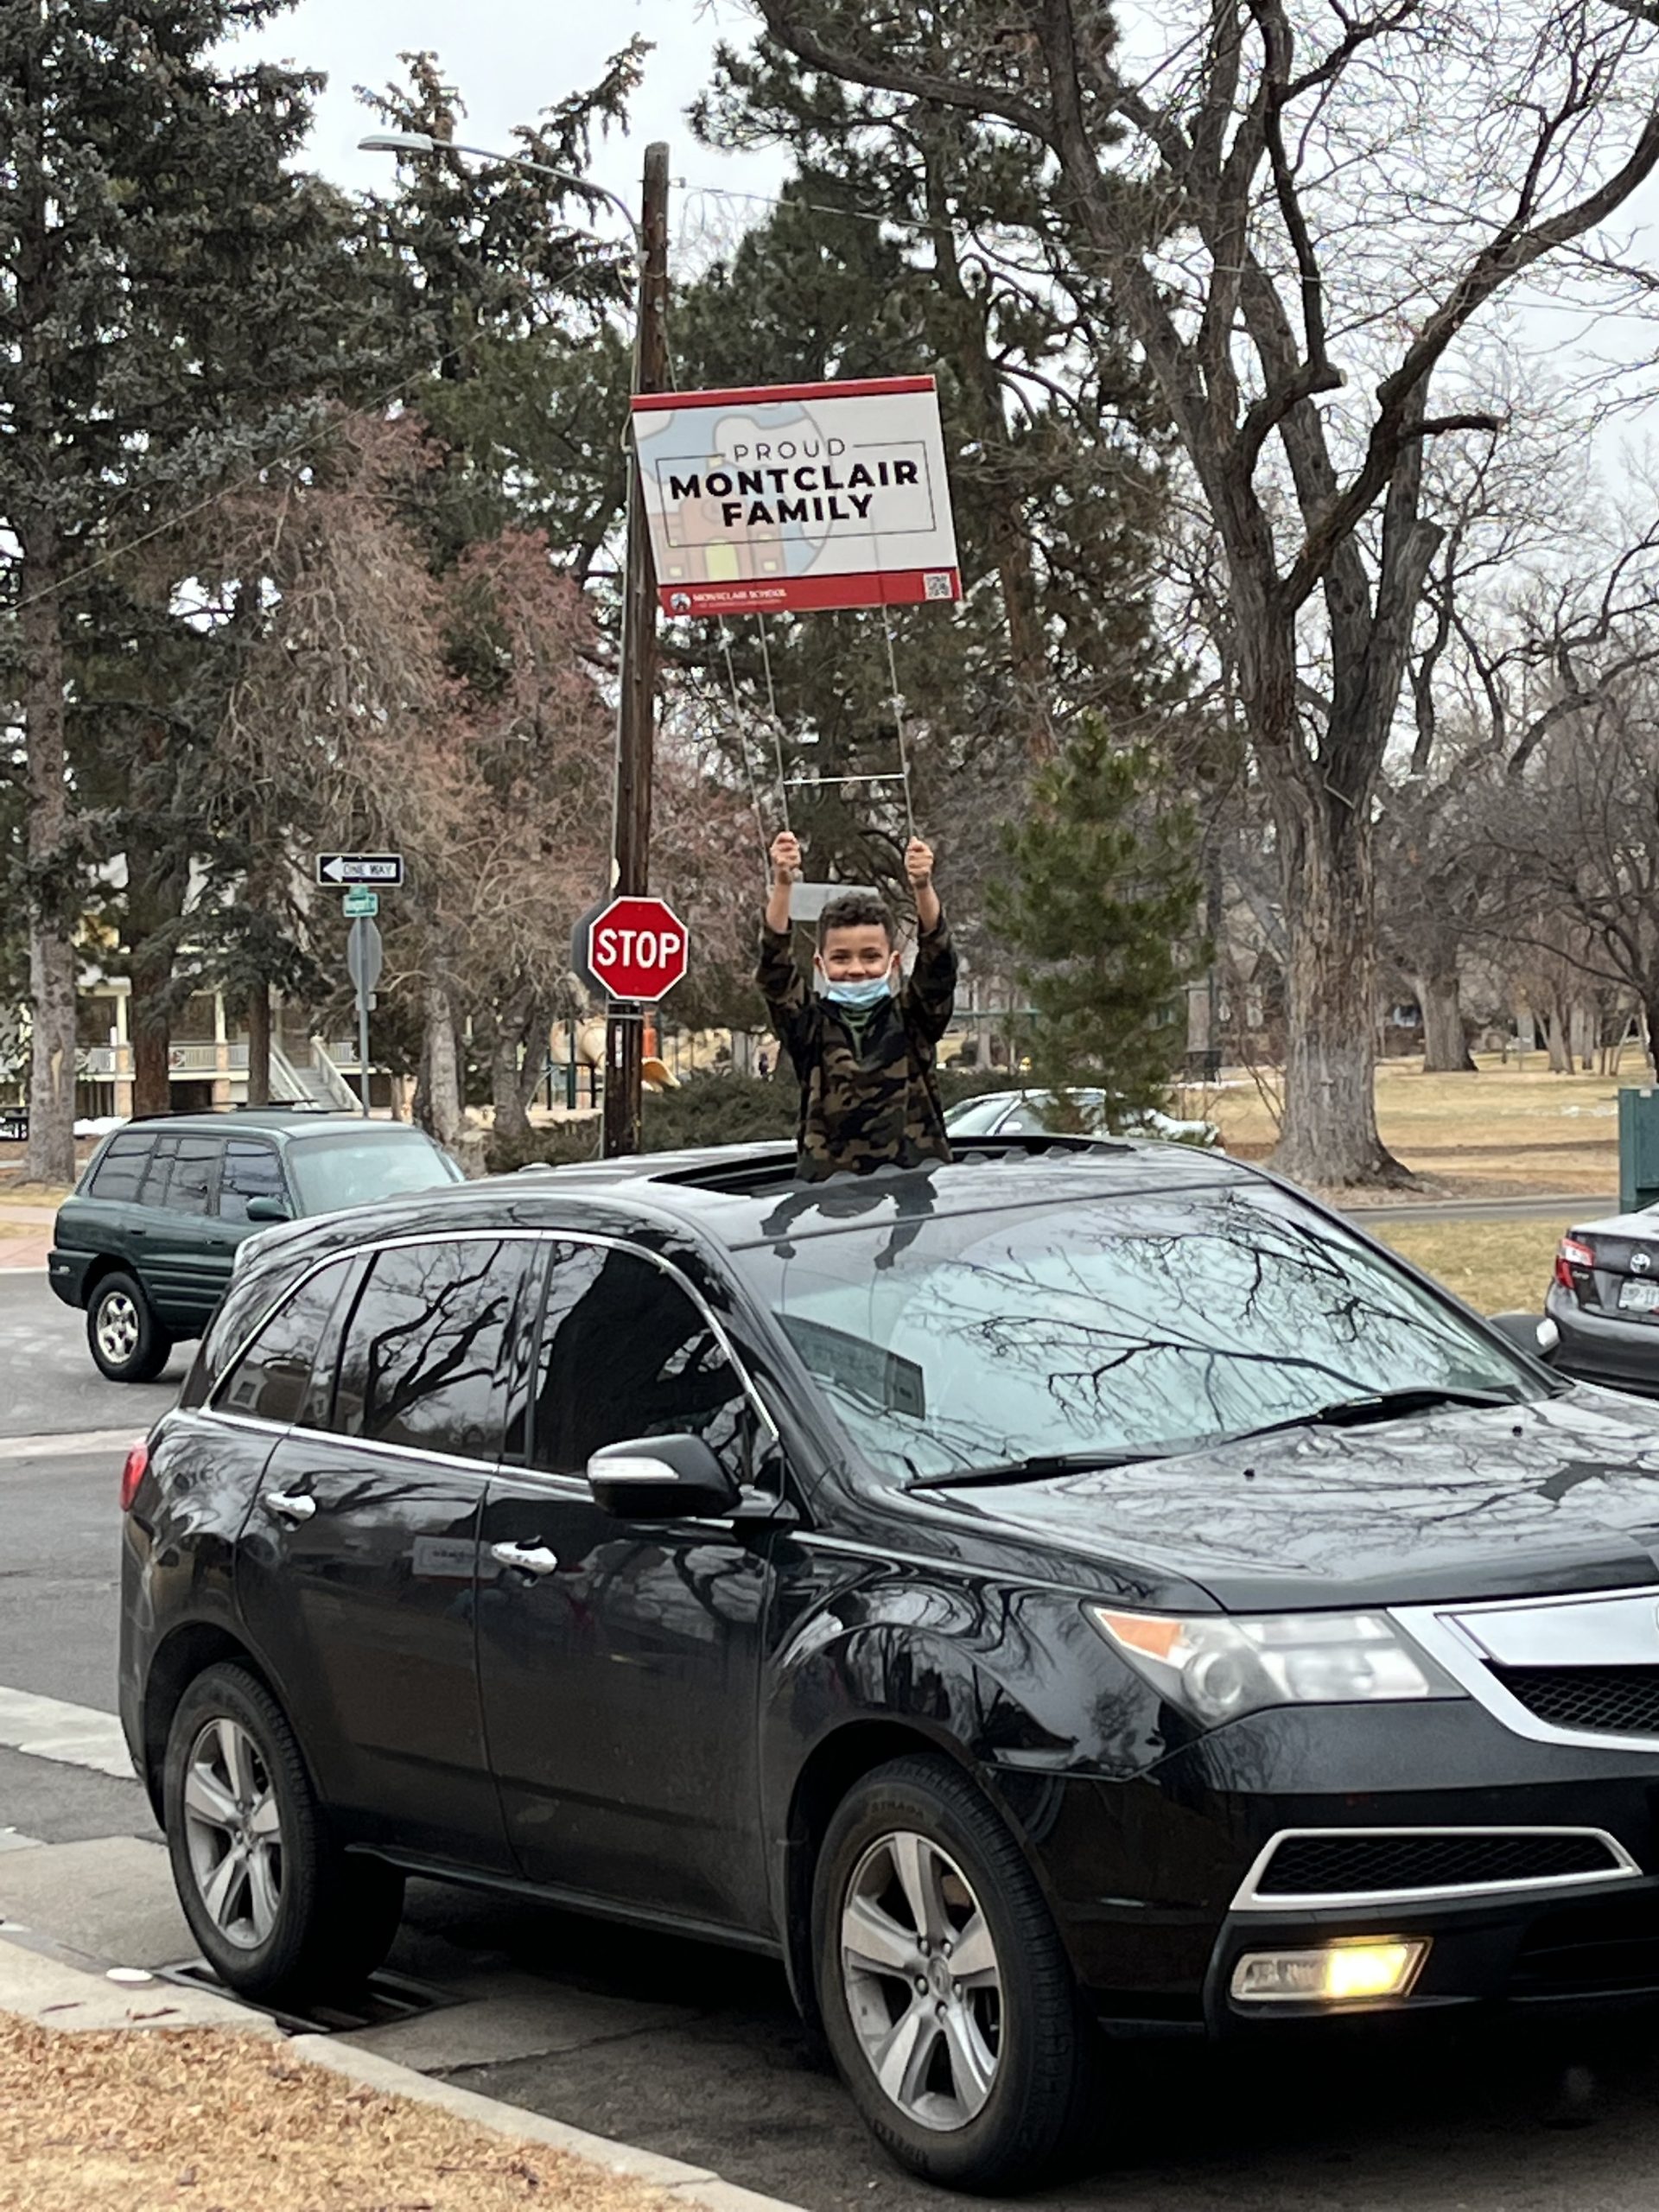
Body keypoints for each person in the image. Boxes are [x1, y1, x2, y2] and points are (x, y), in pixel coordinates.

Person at [759, 829, 957, 1180]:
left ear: (893, 963)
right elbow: (775, 971)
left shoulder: (912, 1021)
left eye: (870, 956)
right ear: (820, 965)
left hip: (915, 1200)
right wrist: (783, 884)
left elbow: (939, 965)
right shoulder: (810, 1028)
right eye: (841, 957)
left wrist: (923, 887)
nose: (855, 969)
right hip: (829, 1202)